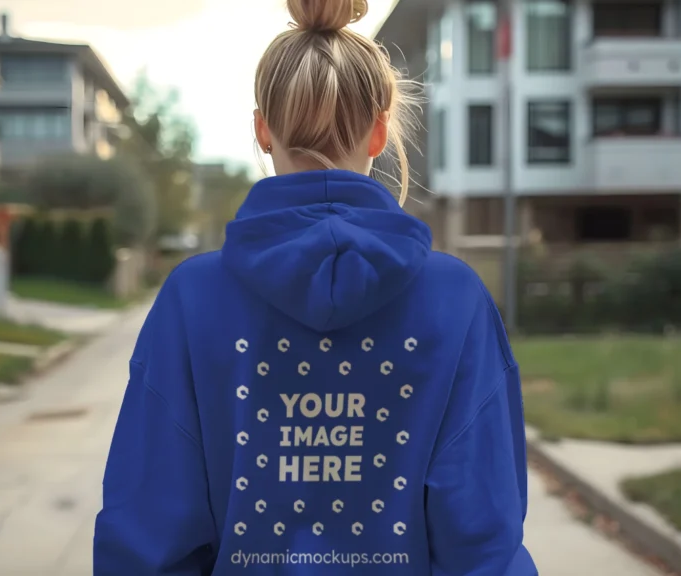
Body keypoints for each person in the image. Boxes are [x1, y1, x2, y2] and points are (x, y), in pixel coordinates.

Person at [93, 0, 538, 574]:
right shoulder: (456, 300)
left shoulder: (191, 299)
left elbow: (147, 534)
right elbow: (484, 543)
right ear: (380, 131)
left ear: (262, 128)